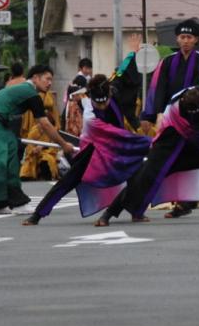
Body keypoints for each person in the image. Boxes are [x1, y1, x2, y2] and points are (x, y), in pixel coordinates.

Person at [97, 77, 199, 226]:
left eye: (197, 110)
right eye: (191, 111)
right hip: (169, 146)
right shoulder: (176, 109)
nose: (195, 114)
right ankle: (108, 214)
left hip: (195, 147)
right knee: (143, 177)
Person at [23, 74, 153, 226]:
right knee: (68, 180)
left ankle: (121, 213)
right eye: (99, 104)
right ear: (91, 97)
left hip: (117, 145)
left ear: (109, 94)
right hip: (95, 147)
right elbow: (112, 132)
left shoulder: (114, 94)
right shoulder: (90, 114)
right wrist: (145, 142)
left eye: (105, 102)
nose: (103, 106)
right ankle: (37, 214)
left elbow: (127, 112)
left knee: (136, 175)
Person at [0, 64, 75, 215]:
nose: (49, 83)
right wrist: (63, 144)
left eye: (51, 80)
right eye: (47, 79)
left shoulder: (28, 91)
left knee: (11, 158)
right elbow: (45, 123)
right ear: (35, 78)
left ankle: (1, 204)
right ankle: (5, 204)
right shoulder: (29, 91)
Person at [141, 20, 199, 217]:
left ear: (196, 39)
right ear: (177, 38)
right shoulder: (167, 62)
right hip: (170, 120)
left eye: (189, 37)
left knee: (192, 161)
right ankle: (171, 199)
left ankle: (186, 202)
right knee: (165, 160)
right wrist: (150, 115)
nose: (185, 41)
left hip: (193, 120)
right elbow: (156, 89)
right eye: (182, 37)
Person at [19, 81, 62, 181]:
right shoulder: (35, 129)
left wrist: (42, 147)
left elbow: (54, 144)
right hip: (35, 117)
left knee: (48, 159)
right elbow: (30, 143)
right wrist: (34, 150)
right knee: (29, 163)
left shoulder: (50, 96)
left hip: (47, 150)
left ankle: (46, 172)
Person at [63, 58, 93, 136]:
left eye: (89, 68)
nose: (88, 70)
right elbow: (82, 94)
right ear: (81, 68)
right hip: (76, 105)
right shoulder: (80, 78)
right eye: (86, 68)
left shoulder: (87, 78)